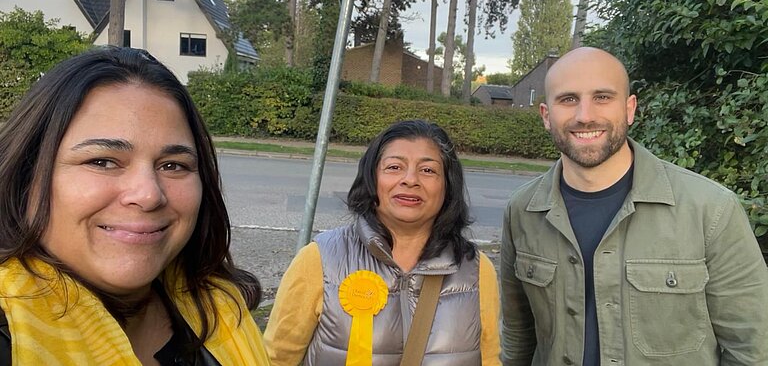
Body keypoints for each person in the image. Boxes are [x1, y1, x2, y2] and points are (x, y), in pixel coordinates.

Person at [0, 47, 270, 365]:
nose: (148, 195)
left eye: (173, 165)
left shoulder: (218, 305)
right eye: (102, 161)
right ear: (27, 177)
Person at [500, 47, 768, 365]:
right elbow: (518, 339)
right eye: (568, 99)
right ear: (547, 115)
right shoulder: (522, 212)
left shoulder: (710, 210)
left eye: (602, 97)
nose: (585, 115)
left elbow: (752, 348)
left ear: (629, 109)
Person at [264, 119, 501, 365]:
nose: (410, 180)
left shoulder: (477, 271)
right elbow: (274, 359)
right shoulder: (320, 259)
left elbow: (490, 360)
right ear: (372, 177)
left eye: (428, 170)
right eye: (394, 167)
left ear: (448, 185)